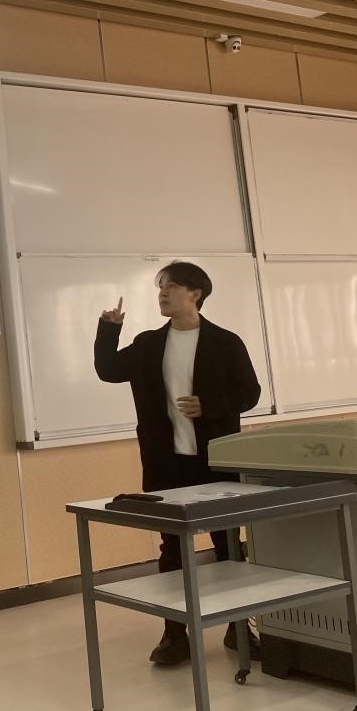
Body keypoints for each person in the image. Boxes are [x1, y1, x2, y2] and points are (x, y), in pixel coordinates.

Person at [93, 261, 262, 666]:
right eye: (160, 288)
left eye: (170, 286)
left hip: (215, 461)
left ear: (195, 294)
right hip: (165, 463)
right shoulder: (149, 344)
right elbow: (108, 370)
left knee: (228, 545)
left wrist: (210, 405)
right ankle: (174, 635)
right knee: (171, 549)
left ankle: (239, 628)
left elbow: (250, 392)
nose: (162, 294)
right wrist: (108, 329)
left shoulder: (225, 342)